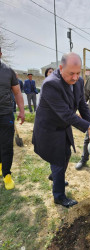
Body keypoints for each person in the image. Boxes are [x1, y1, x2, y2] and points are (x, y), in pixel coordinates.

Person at [32, 52, 90, 208]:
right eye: (71, 73)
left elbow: (82, 105)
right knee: (58, 159)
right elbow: (66, 114)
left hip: (63, 126)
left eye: (78, 73)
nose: (75, 77)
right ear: (60, 68)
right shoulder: (50, 84)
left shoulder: (78, 82)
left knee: (65, 154)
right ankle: (59, 196)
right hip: (49, 128)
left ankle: (55, 176)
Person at [0, 47, 25, 190]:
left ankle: (7, 175)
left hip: (5, 114)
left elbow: (17, 92)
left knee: (7, 145)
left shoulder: (8, 71)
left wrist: (22, 111)